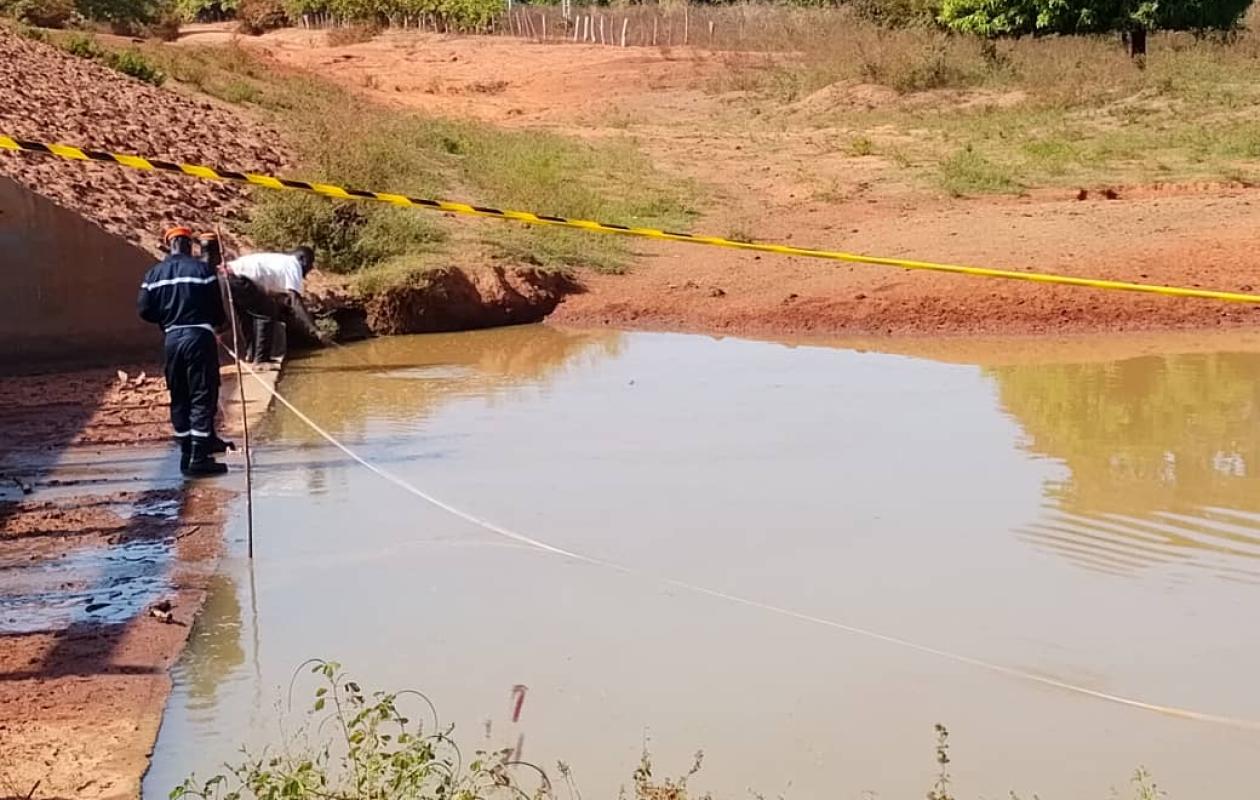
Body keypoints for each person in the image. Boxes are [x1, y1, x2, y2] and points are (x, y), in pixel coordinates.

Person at [138, 226, 229, 477]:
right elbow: (216, 307)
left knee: (180, 395)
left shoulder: (153, 274)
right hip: (199, 336)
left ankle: (187, 454)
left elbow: (144, 310)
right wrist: (218, 324)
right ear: (189, 245)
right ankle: (200, 459)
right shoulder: (201, 270)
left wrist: (166, 318)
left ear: (169, 245)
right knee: (202, 394)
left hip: (172, 338)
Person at [222, 246, 328, 364]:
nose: (311, 267)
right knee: (268, 312)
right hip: (236, 278)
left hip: (225, 276)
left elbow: (282, 297)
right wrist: (315, 330)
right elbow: (296, 302)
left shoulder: (281, 263)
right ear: (302, 258)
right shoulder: (293, 265)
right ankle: (261, 361)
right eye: (310, 262)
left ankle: (251, 355)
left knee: (248, 316)